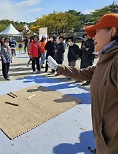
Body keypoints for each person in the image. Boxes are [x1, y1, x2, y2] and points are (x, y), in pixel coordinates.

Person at [48, 14, 118, 154]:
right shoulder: (106, 60)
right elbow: (84, 73)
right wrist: (58, 68)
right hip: (103, 140)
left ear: (112, 31)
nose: (93, 37)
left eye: (97, 32)